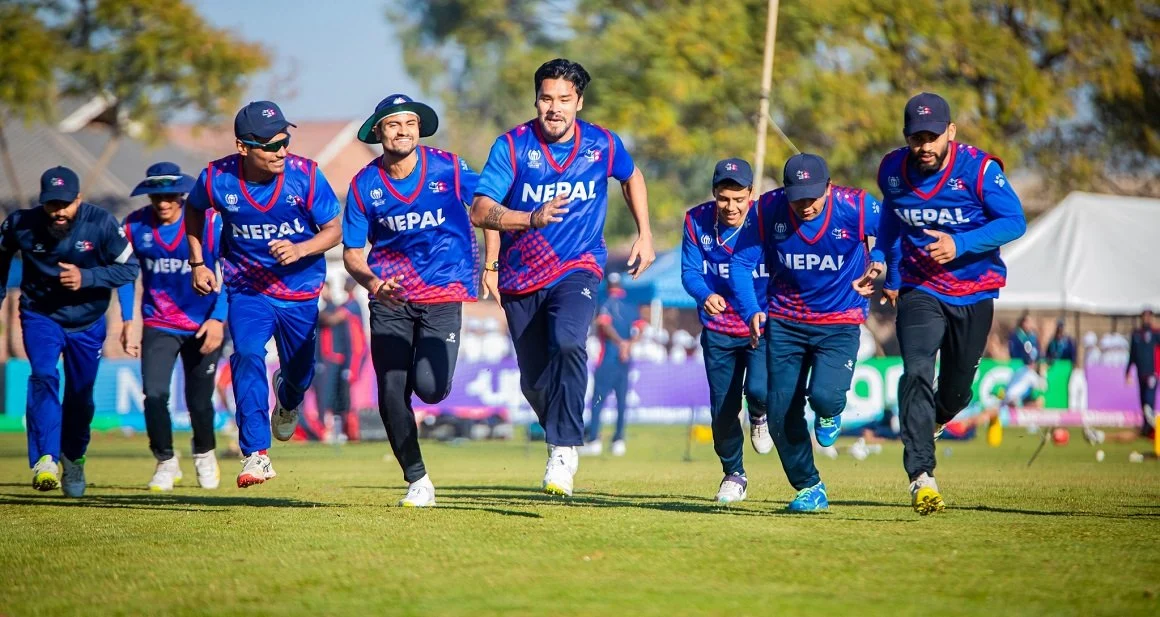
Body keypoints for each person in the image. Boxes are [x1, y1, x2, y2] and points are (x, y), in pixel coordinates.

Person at [469, 58, 655, 497]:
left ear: (579, 102)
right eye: (546, 98)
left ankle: (566, 448)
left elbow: (632, 176)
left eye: (564, 99)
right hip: (520, 277)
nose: (554, 108)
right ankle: (558, 434)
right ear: (536, 100)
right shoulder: (512, 146)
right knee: (534, 382)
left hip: (579, 266)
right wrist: (527, 221)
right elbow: (480, 210)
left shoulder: (603, 143)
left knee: (570, 340)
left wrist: (645, 234)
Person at [868, 92, 1026, 514]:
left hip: (975, 291)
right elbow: (891, 216)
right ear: (906, 136)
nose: (924, 146)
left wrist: (961, 243)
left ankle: (937, 418)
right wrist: (883, 261)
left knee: (956, 393)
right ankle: (921, 476)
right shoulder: (891, 170)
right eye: (916, 137)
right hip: (920, 288)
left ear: (950, 132)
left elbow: (1015, 221)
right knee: (917, 370)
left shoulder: (978, 170)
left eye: (932, 137)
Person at [185, 101, 343, 488]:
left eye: (285, 141)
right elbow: (194, 211)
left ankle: (287, 400)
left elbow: (334, 230)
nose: (282, 151)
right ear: (243, 147)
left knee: (300, 375)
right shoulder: (216, 178)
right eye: (271, 146)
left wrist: (301, 249)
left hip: (299, 291)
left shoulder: (306, 175)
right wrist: (198, 262)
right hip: (248, 289)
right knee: (247, 355)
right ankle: (256, 454)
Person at [343, 93, 480, 507]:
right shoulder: (364, 185)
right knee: (391, 389)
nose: (402, 131)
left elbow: (487, 205)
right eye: (393, 124)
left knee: (432, 389)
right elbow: (352, 255)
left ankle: (432, 383)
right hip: (390, 298)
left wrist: (492, 261)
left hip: (442, 292)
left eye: (409, 123)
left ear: (419, 129)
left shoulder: (449, 168)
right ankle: (417, 479)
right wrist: (373, 283)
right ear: (378, 132)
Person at [732, 153, 884, 512]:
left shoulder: (857, 206)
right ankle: (809, 487)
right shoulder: (767, 209)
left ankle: (830, 411)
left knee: (824, 398)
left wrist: (881, 261)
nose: (805, 205)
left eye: (813, 197)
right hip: (786, 322)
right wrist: (751, 310)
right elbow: (740, 262)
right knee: (780, 411)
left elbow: (893, 233)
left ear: (828, 187)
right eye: (797, 197)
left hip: (840, 321)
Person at [0, 166, 140, 496]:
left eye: (65, 204)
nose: (59, 211)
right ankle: (45, 458)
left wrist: (87, 278)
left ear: (78, 199)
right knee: (43, 376)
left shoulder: (101, 223)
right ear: (42, 201)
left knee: (80, 396)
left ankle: (73, 458)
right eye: (52, 204)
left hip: (88, 322)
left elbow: (130, 269)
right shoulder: (20, 224)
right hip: (41, 316)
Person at [117, 162, 227, 491]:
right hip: (159, 322)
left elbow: (231, 273)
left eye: (169, 196)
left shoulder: (208, 223)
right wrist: (127, 320)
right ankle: (165, 461)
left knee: (199, 401)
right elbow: (125, 275)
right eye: (156, 197)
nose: (163, 203)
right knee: (154, 395)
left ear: (181, 196)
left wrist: (218, 319)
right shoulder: (134, 226)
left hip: (203, 324)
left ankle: (204, 454)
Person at [679, 158, 772, 504]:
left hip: (761, 324)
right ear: (714, 194)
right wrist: (705, 295)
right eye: (723, 198)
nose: (731, 206)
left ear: (751, 194)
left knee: (759, 389)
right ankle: (734, 474)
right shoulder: (695, 220)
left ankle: (759, 413)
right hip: (718, 329)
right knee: (722, 410)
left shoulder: (768, 220)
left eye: (739, 199)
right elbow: (690, 271)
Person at [580, 272, 646, 457]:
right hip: (625, 359)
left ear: (608, 285)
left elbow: (605, 325)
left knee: (598, 401)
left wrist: (620, 343)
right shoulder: (631, 305)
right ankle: (618, 440)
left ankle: (594, 439)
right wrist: (629, 344)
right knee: (622, 402)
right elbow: (641, 328)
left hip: (608, 358)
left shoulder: (605, 302)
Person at [314, 282, 354, 442]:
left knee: (340, 397)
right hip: (325, 361)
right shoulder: (323, 313)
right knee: (325, 397)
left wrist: (348, 363)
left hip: (338, 359)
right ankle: (325, 430)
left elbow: (347, 339)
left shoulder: (338, 310)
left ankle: (340, 430)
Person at [1126, 308, 1158, 437]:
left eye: (1149, 317)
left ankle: (1151, 427)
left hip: (1152, 373)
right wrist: (1128, 371)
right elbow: (1132, 355)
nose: (1146, 319)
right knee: (1143, 400)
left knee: (1149, 400)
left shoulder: (1156, 333)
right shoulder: (1136, 334)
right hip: (1141, 372)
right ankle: (1146, 427)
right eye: (1144, 317)